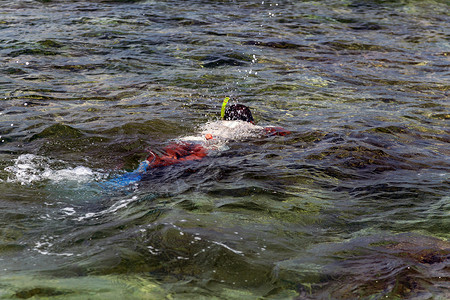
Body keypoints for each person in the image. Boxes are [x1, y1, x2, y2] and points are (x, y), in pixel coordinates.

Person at [103, 99, 289, 188]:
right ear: (250, 120)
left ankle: (136, 174)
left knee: (164, 157)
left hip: (189, 139)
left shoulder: (216, 123)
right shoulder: (247, 127)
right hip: (209, 144)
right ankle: (139, 179)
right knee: (185, 162)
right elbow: (278, 130)